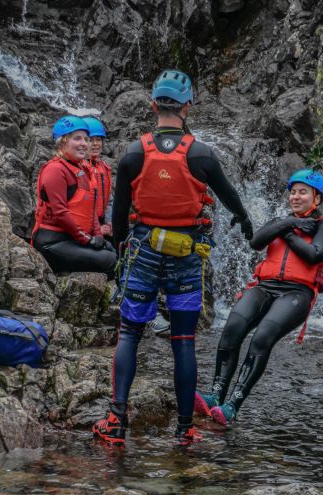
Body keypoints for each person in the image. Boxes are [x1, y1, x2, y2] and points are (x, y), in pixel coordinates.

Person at [92, 69, 253, 447]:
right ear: (187, 106)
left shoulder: (134, 151)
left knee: (130, 333)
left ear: (153, 105)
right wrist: (245, 221)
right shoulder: (201, 153)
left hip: (143, 250)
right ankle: (184, 429)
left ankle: (117, 420)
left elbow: (119, 213)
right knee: (183, 339)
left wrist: (119, 254)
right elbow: (230, 198)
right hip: (185, 255)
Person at [194, 169, 323, 425]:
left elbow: (315, 254)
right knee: (233, 327)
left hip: (297, 293)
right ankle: (215, 395)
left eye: (302, 192)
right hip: (265, 286)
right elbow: (256, 242)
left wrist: (288, 233)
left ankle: (232, 405)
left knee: (261, 338)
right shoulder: (281, 221)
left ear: (316, 199)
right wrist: (287, 224)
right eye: (293, 192)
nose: (295, 197)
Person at [32, 115, 116, 278]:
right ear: (63, 141)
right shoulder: (55, 169)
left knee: (112, 250)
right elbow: (60, 212)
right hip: (52, 242)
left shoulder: (82, 170)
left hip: (73, 239)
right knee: (110, 260)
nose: (84, 144)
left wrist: (98, 235)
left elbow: (91, 208)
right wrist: (87, 240)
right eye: (77, 139)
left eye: (86, 139)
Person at [83, 116, 113, 238]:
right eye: (91, 140)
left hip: (101, 222)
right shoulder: (79, 169)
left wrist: (110, 223)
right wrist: (96, 229)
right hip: (86, 228)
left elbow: (109, 200)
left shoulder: (104, 168)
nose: (96, 144)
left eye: (98, 139)